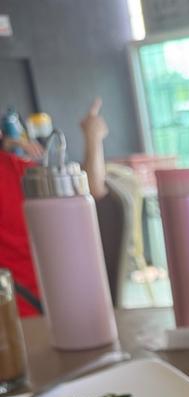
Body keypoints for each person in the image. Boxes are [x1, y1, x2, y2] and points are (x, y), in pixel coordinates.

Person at [0, 97, 108, 317]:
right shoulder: (15, 170)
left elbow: (88, 188)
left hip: (39, 312)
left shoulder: (15, 169)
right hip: (38, 316)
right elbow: (90, 188)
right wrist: (93, 137)